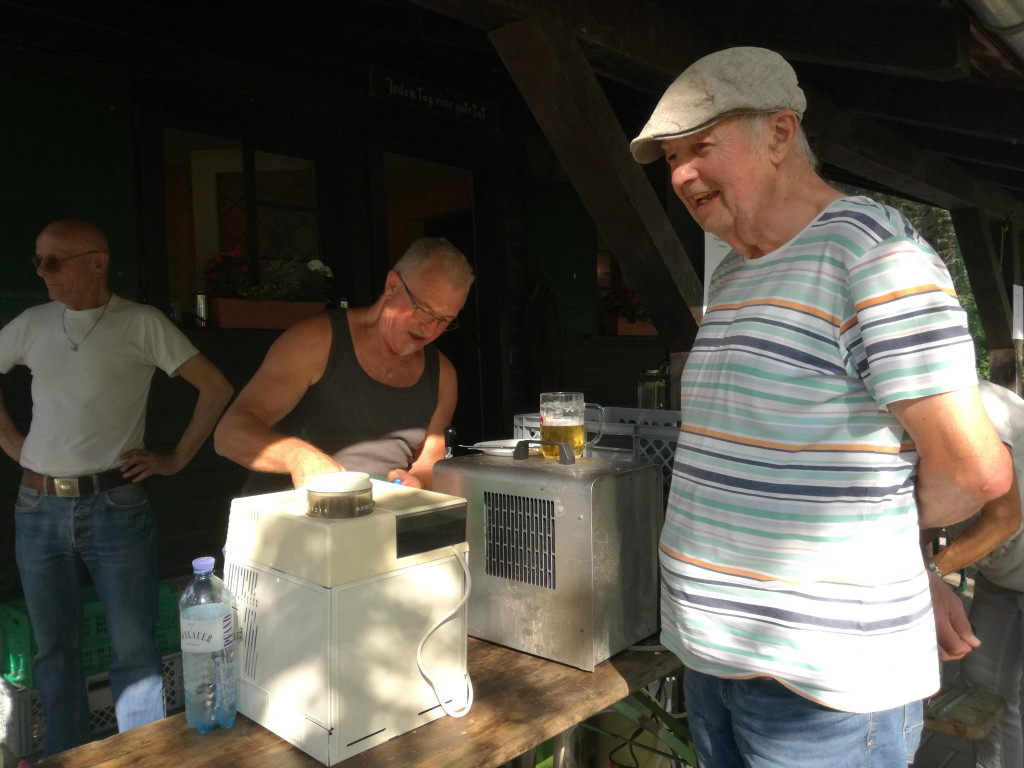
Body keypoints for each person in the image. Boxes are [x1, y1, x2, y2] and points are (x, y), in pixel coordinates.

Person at [628, 47, 1012, 766]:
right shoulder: (737, 274)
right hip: (715, 660)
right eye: (672, 158)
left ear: (779, 134)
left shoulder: (871, 255)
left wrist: (900, 562)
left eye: (701, 147)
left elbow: (974, 470)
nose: (679, 175)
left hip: (822, 686)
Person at [0, 219, 233, 755]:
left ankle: (138, 758)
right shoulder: (33, 322)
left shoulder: (141, 322)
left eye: (54, 261)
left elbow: (216, 387)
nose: (43, 272)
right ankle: (65, 757)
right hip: (37, 505)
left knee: (134, 651)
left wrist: (175, 459)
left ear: (98, 262)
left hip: (114, 504)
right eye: (38, 260)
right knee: (53, 650)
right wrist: (9, 439)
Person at [214, 237, 473, 492]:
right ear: (392, 285)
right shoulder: (316, 341)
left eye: (444, 320)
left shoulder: (443, 374)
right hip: (288, 516)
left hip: (382, 515)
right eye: (423, 310)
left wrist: (418, 482)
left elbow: (429, 464)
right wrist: (298, 456)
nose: (430, 329)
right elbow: (228, 434)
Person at [927, 379, 1024, 768]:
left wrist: (928, 573)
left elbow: (1004, 518)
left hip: (1009, 556)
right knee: (985, 693)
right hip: (1002, 579)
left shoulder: (978, 404)